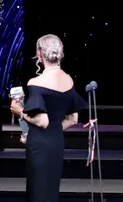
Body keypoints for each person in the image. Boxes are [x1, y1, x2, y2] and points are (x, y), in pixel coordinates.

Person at [8, 35, 87, 202]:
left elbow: (42, 121)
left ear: (39, 53)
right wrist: (53, 129)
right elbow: (73, 119)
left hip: (40, 144)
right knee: (50, 190)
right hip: (56, 141)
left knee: (38, 192)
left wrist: (20, 111)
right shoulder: (69, 80)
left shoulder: (36, 82)